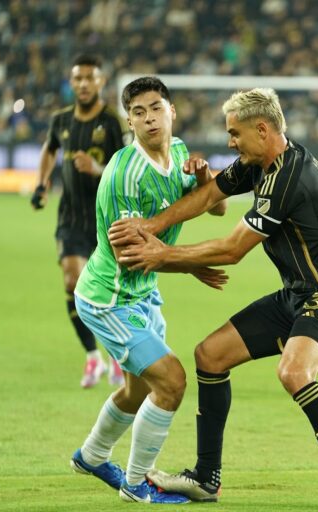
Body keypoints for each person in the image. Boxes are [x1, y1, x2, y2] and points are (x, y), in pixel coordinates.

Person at [109, 88, 318, 512]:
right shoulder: (262, 163)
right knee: (210, 355)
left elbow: (233, 250)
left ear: (262, 129)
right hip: (298, 294)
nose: (230, 142)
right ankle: (205, 479)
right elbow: (210, 193)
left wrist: (162, 255)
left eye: (235, 133)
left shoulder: (289, 178)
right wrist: (153, 226)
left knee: (294, 372)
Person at [70, 76, 227, 503]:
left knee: (140, 389)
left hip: (140, 295)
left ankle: (92, 455)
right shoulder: (125, 175)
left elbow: (220, 208)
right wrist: (193, 264)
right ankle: (136, 486)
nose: (149, 118)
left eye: (156, 107)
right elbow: (130, 257)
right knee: (172, 382)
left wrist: (206, 177)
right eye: (138, 112)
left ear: (171, 111)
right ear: (129, 122)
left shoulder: (179, 154)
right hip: (110, 299)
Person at [31, 54, 129, 388]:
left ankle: (117, 355)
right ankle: (92, 358)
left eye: (90, 78)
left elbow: (130, 168)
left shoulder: (115, 121)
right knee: (72, 282)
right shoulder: (60, 120)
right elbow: (49, 149)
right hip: (71, 218)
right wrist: (41, 185)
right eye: (78, 78)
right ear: (71, 83)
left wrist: (99, 170)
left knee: (108, 293)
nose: (83, 84)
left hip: (108, 222)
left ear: (101, 82)